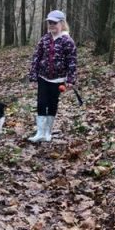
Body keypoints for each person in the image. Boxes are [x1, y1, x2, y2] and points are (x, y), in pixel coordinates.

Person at [28, 10, 78, 142]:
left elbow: (72, 61)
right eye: (50, 23)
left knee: (52, 103)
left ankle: (47, 132)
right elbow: (36, 57)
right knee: (41, 103)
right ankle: (40, 132)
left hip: (58, 80)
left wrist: (71, 79)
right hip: (43, 77)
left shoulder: (67, 41)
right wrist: (33, 75)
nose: (51, 25)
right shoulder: (44, 39)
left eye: (54, 23)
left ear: (62, 23)